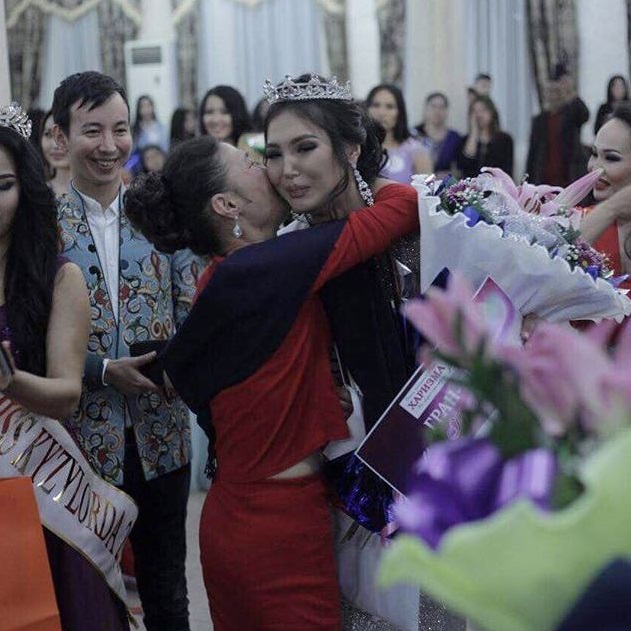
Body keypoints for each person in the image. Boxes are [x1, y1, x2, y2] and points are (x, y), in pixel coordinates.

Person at [124, 115, 418, 628]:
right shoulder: (266, 268)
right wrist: (350, 168)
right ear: (227, 205)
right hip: (274, 530)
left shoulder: (232, 274)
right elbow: (403, 208)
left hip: (255, 515)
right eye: (251, 162)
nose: (269, 168)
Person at [266, 74, 463, 631]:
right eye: (275, 154)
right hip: (342, 472)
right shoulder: (286, 253)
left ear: (350, 149)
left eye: (305, 148)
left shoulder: (420, 227)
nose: (288, 169)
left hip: (441, 452)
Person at [51, 71, 202, 631]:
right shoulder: (42, 226)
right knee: (89, 591)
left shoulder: (160, 212)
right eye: (92, 130)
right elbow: (34, 326)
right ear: (61, 137)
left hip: (162, 432)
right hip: (79, 440)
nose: (109, 145)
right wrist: (100, 369)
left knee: (167, 590)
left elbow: (191, 304)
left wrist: (178, 361)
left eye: (120, 129)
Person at [0, 103, 130, 630]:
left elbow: (66, 393)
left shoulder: (58, 277)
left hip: (39, 485)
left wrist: (9, 381)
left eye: (2, 185)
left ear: (25, 189)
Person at [579, 102, 631, 292]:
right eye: (594, 154)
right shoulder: (578, 219)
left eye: (611, 158)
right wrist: (611, 209)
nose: (595, 168)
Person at [526, 66, 589, 186]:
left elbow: (584, 115)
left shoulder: (570, 114)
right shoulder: (539, 120)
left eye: (557, 92)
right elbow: (533, 153)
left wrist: (571, 93)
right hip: (544, 177)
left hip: (569, 176)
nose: (553, 96)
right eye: (550, 92)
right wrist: (528, 181)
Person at [365, 83, 432, 184]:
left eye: (390, 106)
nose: (382, 113)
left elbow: (428, 190)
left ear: (400, 112)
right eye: (376, 105)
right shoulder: (358, 148)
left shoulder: (415, 149)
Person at [459, 94, 513, 178]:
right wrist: (474, 132)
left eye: (483, 110)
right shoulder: (465, 140)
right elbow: (465, 168)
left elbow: (506, 172)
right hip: (471, 185)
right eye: (475, 111)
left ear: (492, 112)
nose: (479, 115)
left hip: (497, 184)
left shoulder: (505, 139)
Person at [415, 92, 462, 179]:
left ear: (446, 111)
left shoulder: (454, 138)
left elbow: (459, 170)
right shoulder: (414, 134)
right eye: (433, 106)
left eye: (441, 107)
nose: (437, 111)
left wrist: (450, 175)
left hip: (445, 185)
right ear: (426, 109)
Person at [40, 110, 71, 197]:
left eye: (62, 135)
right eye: (48, 134)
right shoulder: (34, 192)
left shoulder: (98, 191)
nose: (55, 145)